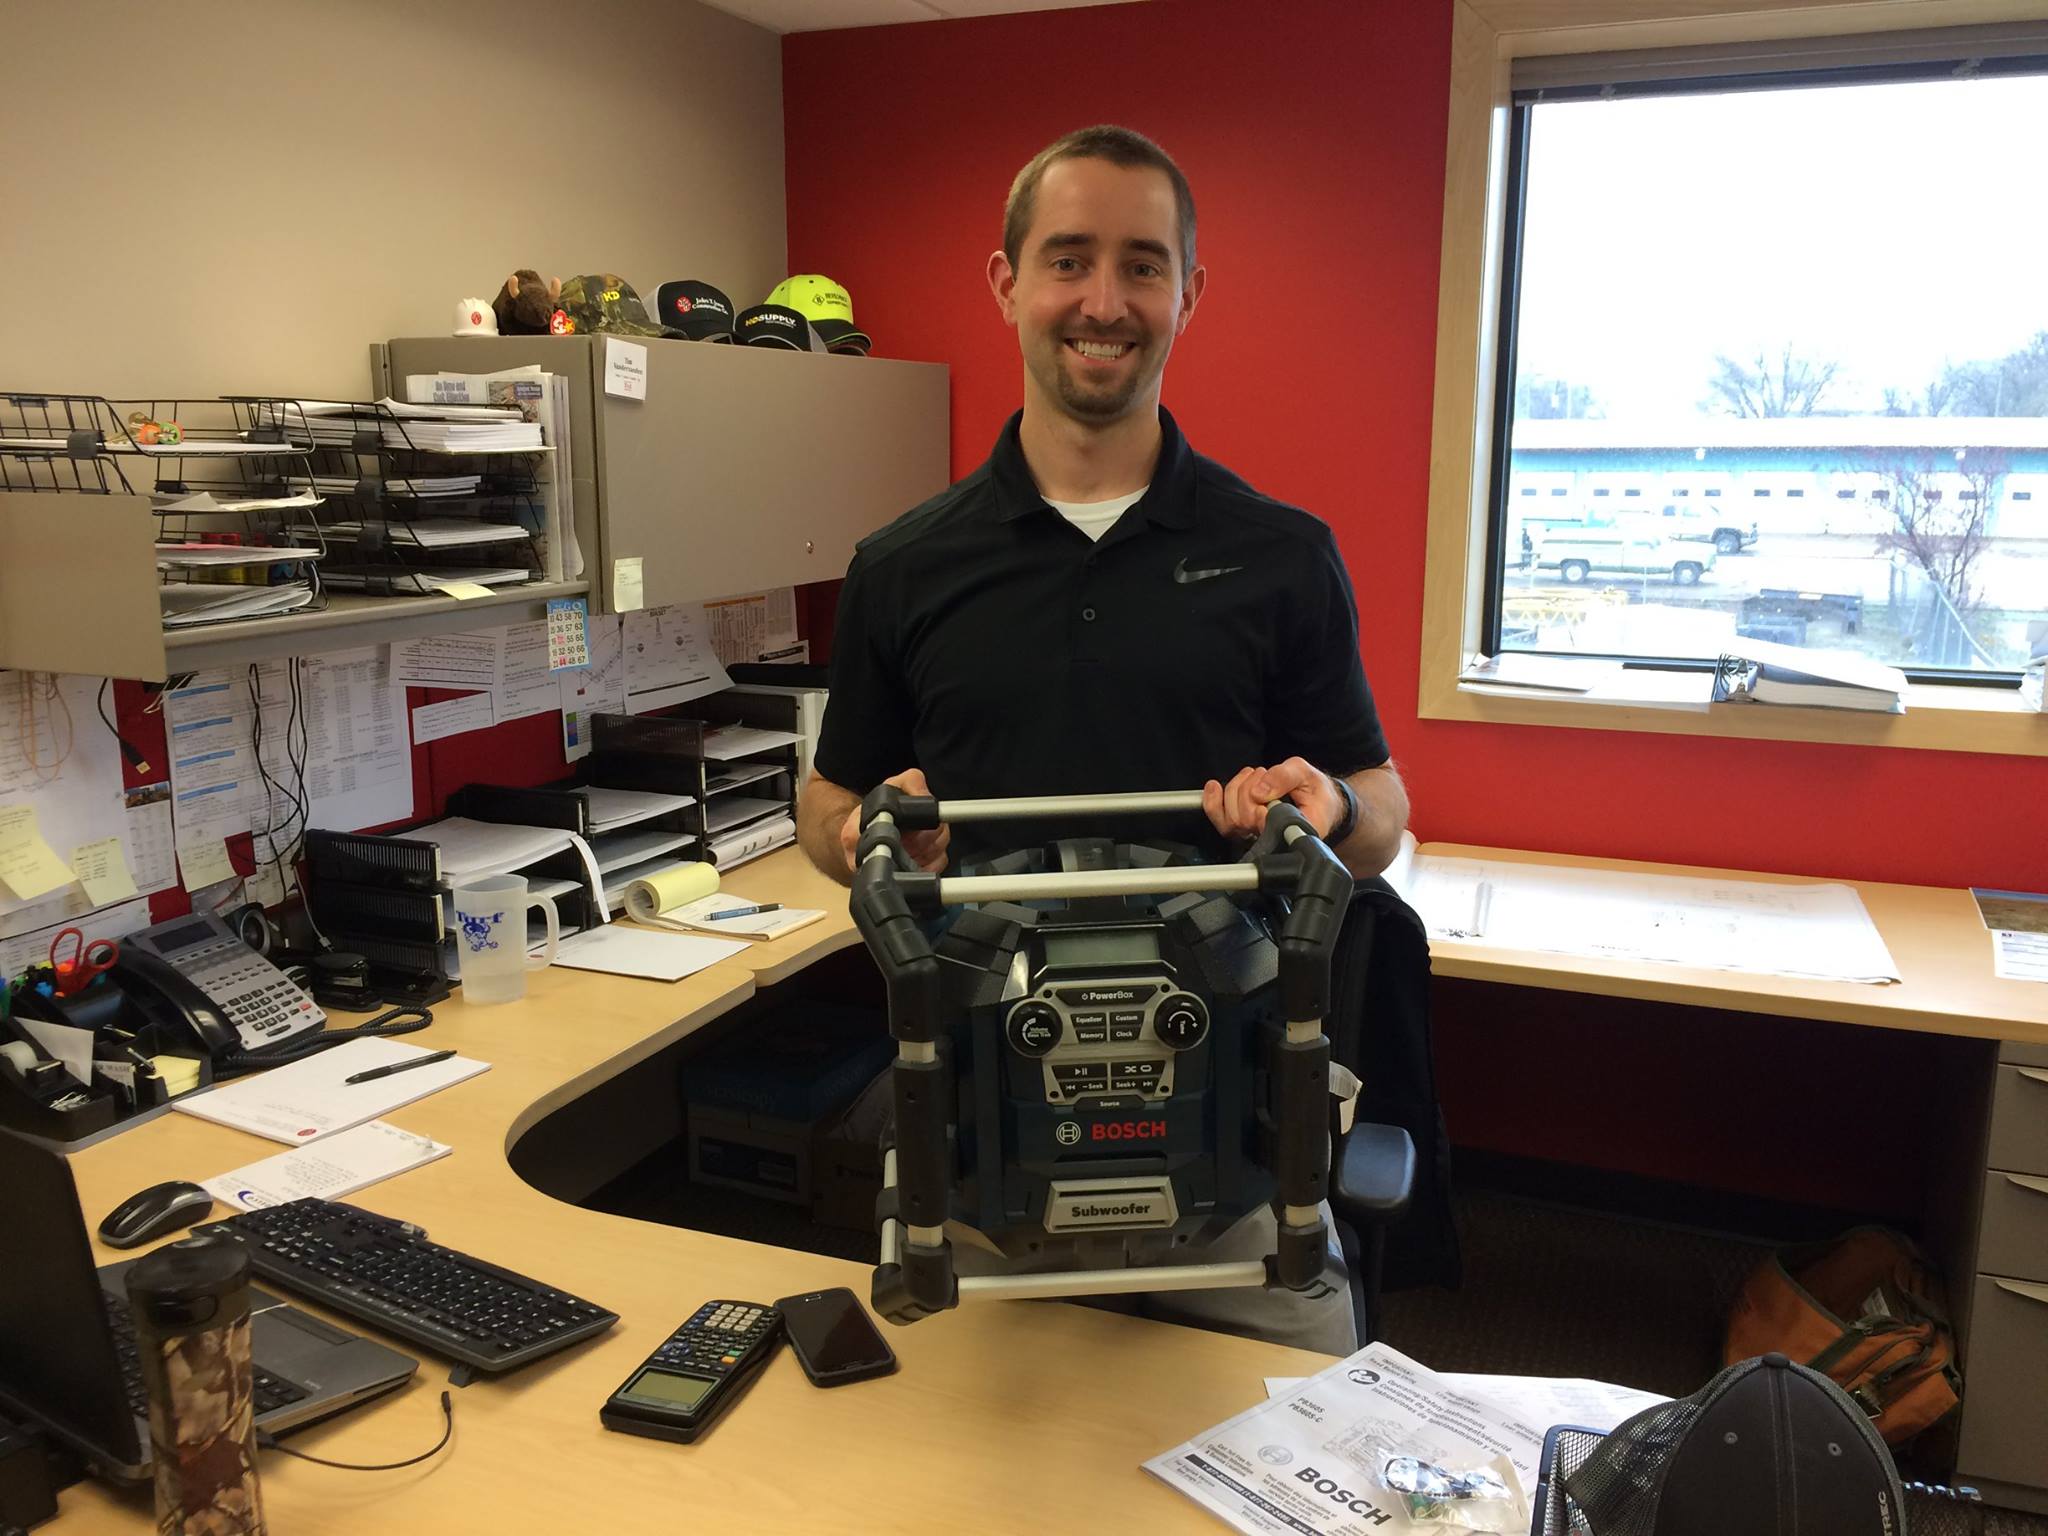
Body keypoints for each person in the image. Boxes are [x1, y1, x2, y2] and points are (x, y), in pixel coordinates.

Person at [797, 125, 1409, 1354]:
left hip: (1235, 1174)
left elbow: (1380, 812)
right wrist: (870, 832)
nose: (1103, 302)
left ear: (1188, 292)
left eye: (1142, 265)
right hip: (971, 1178)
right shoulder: (902, 567)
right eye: (1068, 259)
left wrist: (1329, 809)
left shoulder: (1280, 556)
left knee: (1286, 1453)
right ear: (1006, 282)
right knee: (932, 1460)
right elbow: (826, 810)